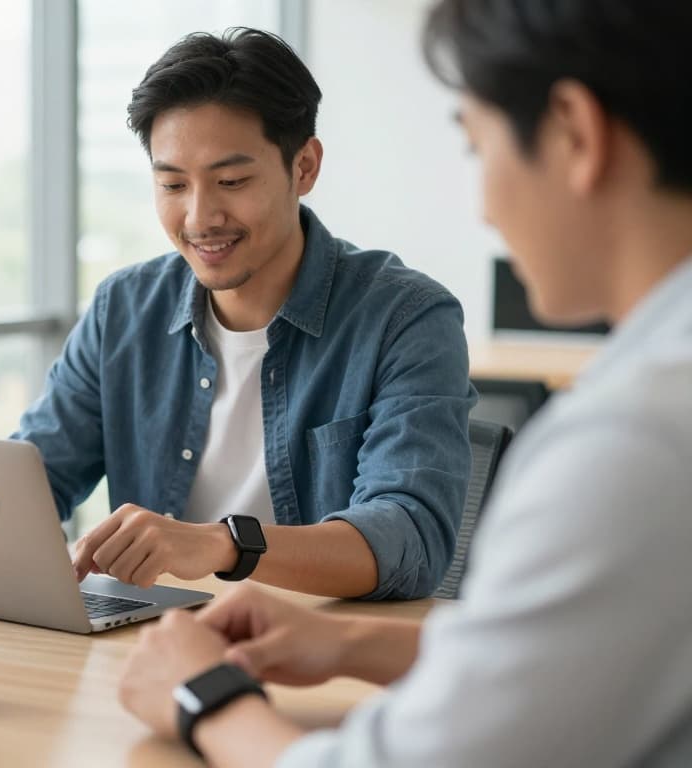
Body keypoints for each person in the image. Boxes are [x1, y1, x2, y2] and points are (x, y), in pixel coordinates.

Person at [117, 1, 692, 765]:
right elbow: (564, 663)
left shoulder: (635, 442)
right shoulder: (654, 400)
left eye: (477, 146)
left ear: (574, 134)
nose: (483, 207)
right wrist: (348, 640)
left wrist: (202, 699)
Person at [15, 28, 475, 600]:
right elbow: (26, 485)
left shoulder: (406, 318)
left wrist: (226, 544)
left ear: (304, 166)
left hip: (320, 656)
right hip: (154, 648)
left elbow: (411, 537)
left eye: (231, 181)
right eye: (173, 184)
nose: (200, 217)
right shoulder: (124, 309)